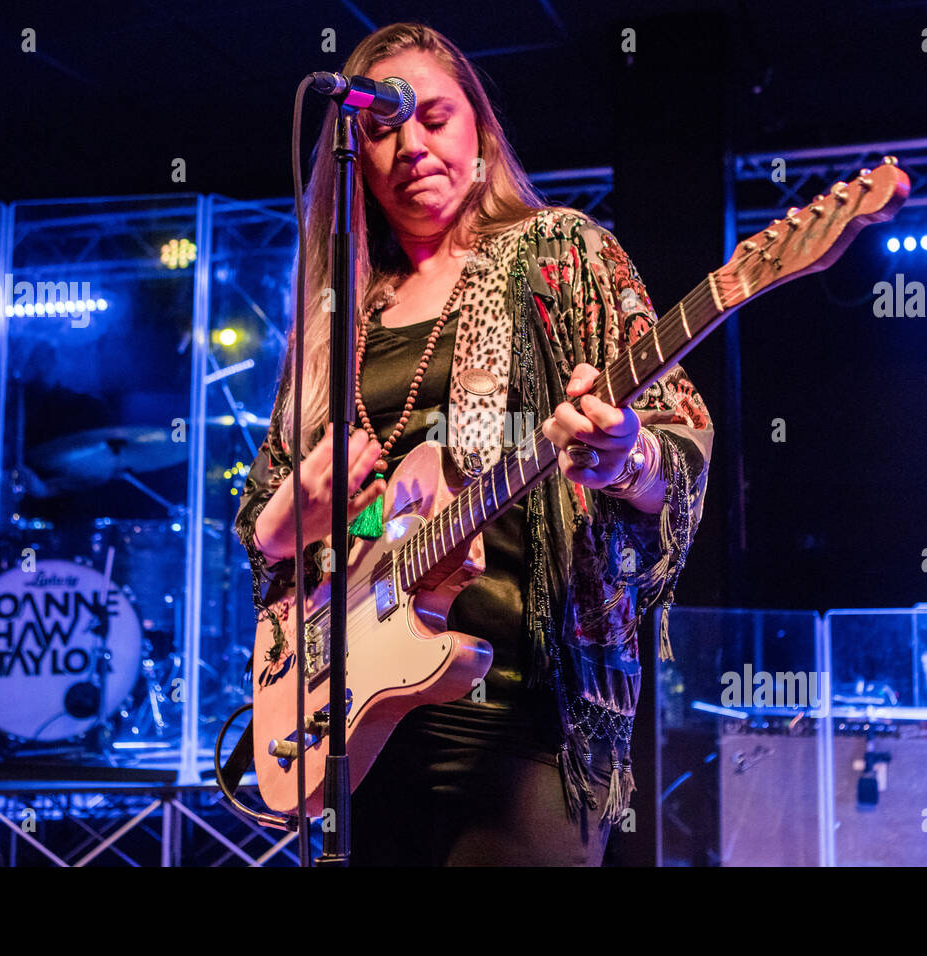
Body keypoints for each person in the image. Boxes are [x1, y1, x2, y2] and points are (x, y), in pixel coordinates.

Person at [235, 22, 713, 866]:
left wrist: (625, 456)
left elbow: (679, 439)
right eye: (381, 130)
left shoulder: (561, 254)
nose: (409, 145)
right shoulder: (337, 314)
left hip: (524, 714)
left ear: (482, 133)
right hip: (359, 710)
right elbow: (262, 529)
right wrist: (286, 519)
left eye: (435, 118)